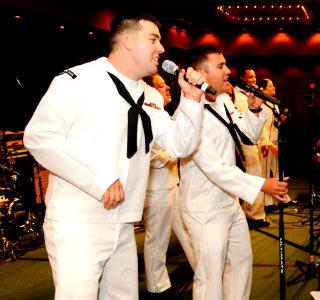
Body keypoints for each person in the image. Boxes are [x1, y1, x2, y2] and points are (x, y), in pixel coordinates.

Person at [22, 11, 207, 299]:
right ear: (128, 41)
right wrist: (100, 179)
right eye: (154, 39)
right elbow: (39, 137)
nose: (161, 48)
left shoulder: (151, 95)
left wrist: (192, 101)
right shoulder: (77, 80)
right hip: (78, 220)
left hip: (124, 221)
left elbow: (179, 145)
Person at [178, 45, 290, 300]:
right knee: (209, 278)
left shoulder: (224, 100)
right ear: (200, 73)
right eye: (220, 66)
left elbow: (247, 135)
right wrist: (262, 184)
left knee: (241, 264)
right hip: (204, 207)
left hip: (229, 201)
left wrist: (254, 109)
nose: (228, 71)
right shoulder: (187, 115)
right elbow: (215, 169)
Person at [141, 73, 196, 295]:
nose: (166, 89)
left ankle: (201, 271)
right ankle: (158, 287)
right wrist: (176, 156)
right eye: (160, 86)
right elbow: (152, 154)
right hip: (156, 188)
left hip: (171, 184)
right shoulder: (147, 114)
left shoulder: (163, 114)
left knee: (186, 231)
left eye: (165, 85)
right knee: (157, 239)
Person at [233, 66, 270, 227]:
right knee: (251, 178)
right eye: (250, 77)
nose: (254, 80)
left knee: (255, 176)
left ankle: (253, 212)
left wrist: (263, 141)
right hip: (241, 144)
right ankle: (254, 214)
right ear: (242, 79)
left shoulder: (250, 94)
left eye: (255, 77)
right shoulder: (234, 95)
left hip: (254, 141)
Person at [256, 78, 292, 211]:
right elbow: (262, 128)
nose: (274, 87)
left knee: (278, 171)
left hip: (276, 142)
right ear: (263, 89)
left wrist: (281, 120)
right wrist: (270, 145)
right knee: (265, 173)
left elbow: (274, 125)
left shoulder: (274, 104)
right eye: (270, 85)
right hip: (266, 144)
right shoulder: (260, 105)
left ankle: (283, 197)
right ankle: (266, 203)